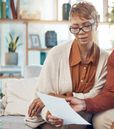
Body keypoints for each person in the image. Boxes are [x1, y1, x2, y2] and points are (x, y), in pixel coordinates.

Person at [25, 1, 108, 129]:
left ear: (96, 24)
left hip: (82, 115)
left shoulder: (105, 58)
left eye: (86, 25)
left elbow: (95, 96)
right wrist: (48, 113)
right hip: (52, 111)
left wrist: (54, 97)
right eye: (75, 27)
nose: (80, 32)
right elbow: (41, 96)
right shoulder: (56, 54)